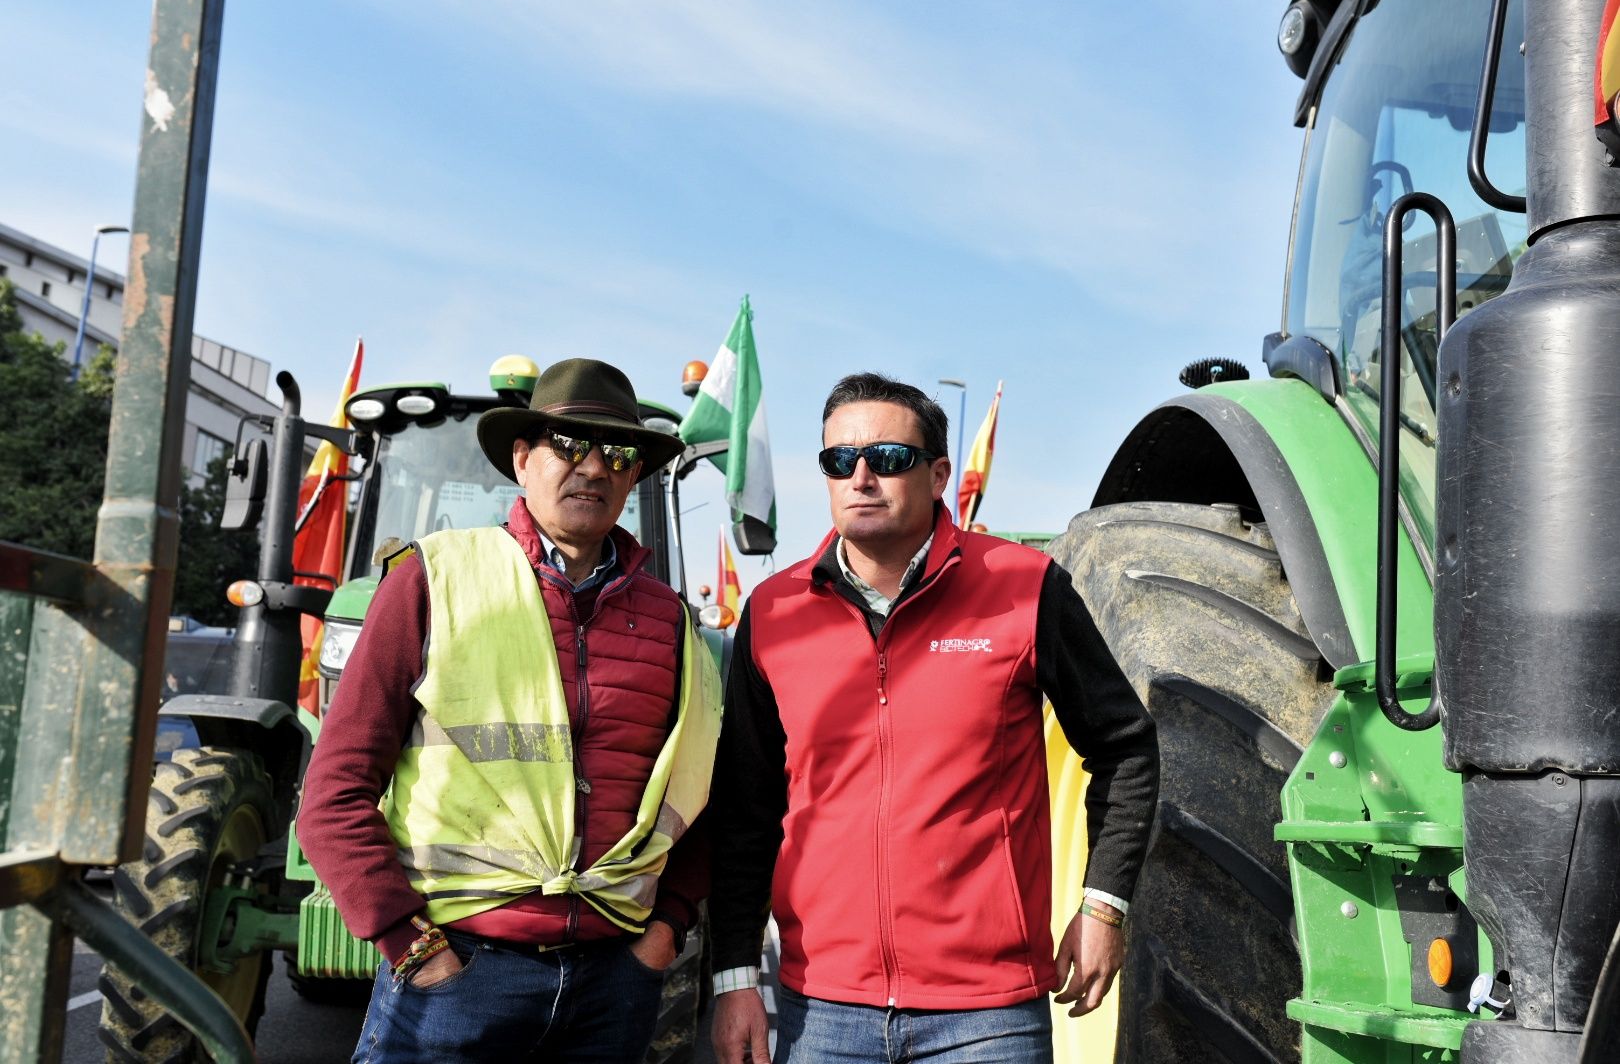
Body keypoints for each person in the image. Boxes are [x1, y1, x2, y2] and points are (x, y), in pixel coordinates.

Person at [708, 372, 1160, 1063]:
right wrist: (735, 976)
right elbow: (746, 806)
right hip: (822, 1012)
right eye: (839, 461)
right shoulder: (773, 613)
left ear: (939, 473)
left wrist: (1103, 907)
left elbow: (1125, 749)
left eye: (888, 459)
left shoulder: (1025, 588)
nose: (861, 477)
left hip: (988, 1018)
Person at [298, 357, 722, 1062]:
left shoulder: (672, 622)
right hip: (457, 974)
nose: (593, 467)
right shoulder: (430, 581)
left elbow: (706, 793)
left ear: (634, 476)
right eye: (568, 445)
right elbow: (334, 792)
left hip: (615, 981)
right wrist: (412, 946)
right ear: (522, 459)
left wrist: (666, 932)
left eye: (617, 452)